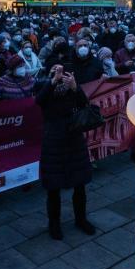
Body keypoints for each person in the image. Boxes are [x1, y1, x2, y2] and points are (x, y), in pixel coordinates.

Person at [35, 65, 95, 240]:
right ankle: (54, 224)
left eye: (63, 71)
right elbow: (39, 101)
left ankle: (81, 219)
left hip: (73, 138)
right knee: (53, 186)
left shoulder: (72, 87)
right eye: (56, 70)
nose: (60, 74)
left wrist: (75, 87)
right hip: (53, 140)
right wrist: (52, 82)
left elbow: (84, 104)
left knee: (80, 183)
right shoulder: (45, 85)